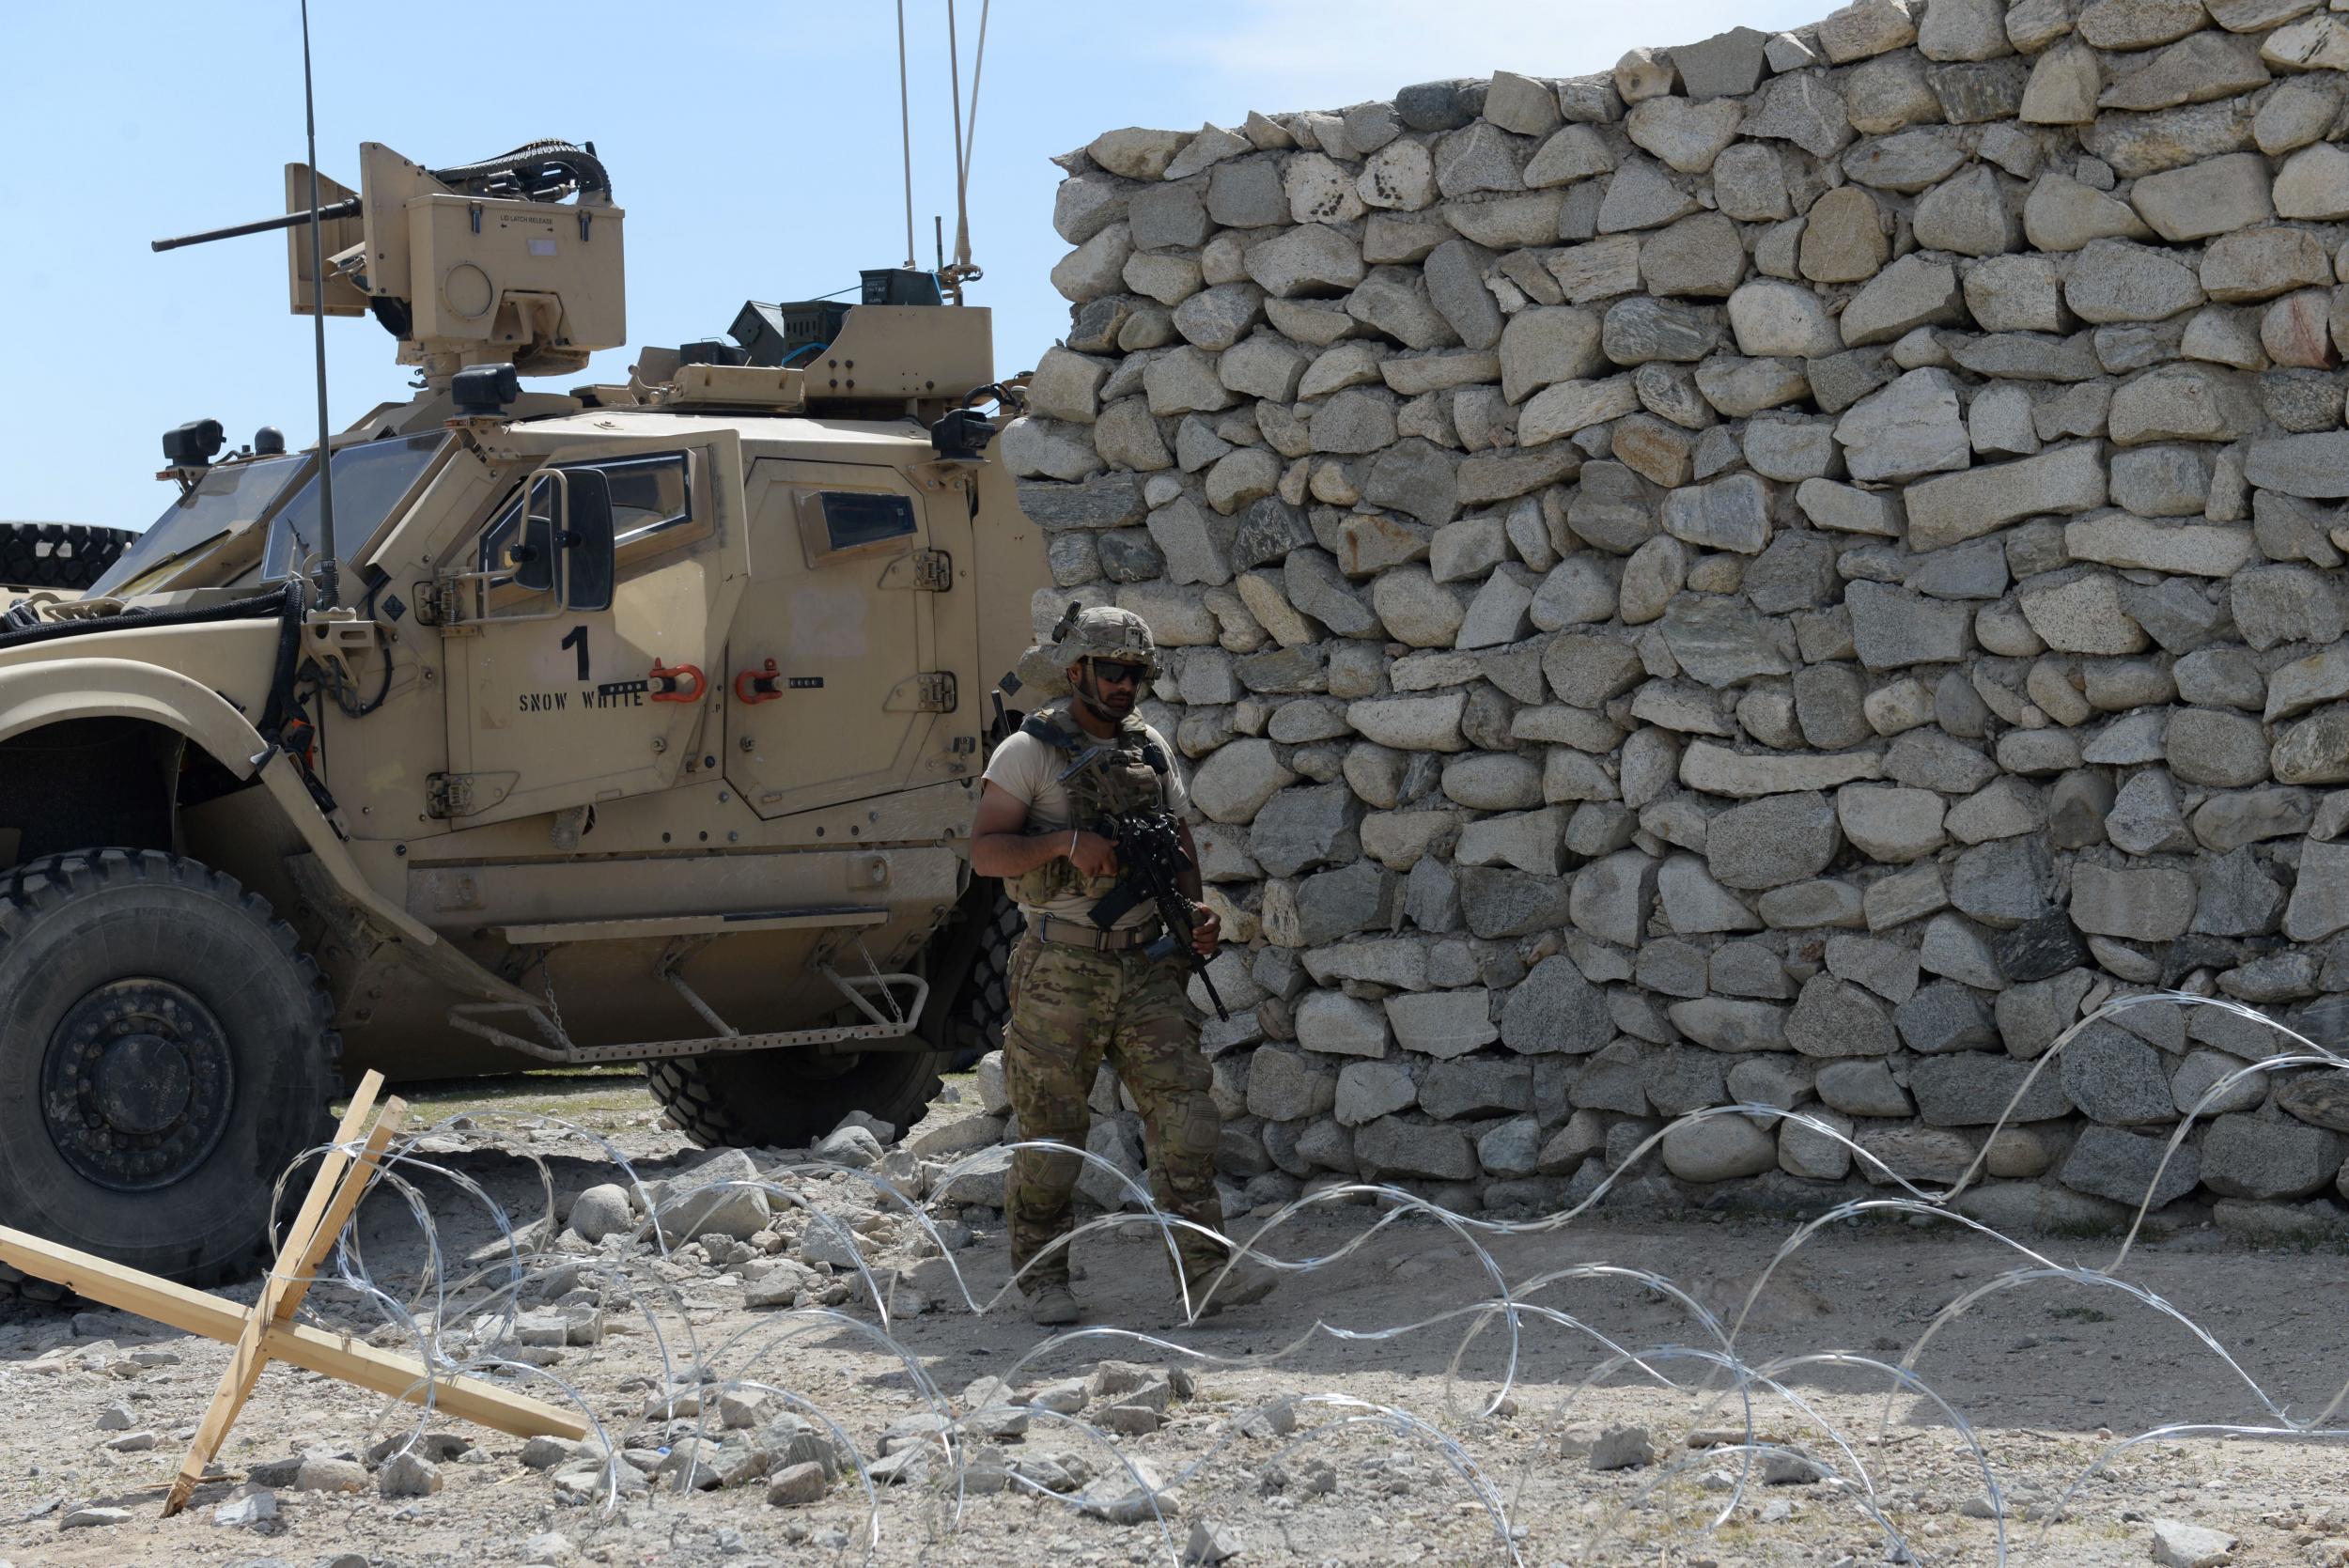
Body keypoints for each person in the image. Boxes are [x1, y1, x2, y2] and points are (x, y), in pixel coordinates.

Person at [968, 605, 1275, 1326]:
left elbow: (1181, 847)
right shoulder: (1029, 751)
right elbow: (985, 851)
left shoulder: (1151, 750)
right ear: (1076, 670)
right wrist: (1063, 843)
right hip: (1061, 968)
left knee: (1185, 1117)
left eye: (1135, 673)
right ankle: (1044, 1277)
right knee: (1052, 1134)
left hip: (1145, 965)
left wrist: (1195, 916)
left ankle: (1203, 1269)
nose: (1123, 684)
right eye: (1111, 670)